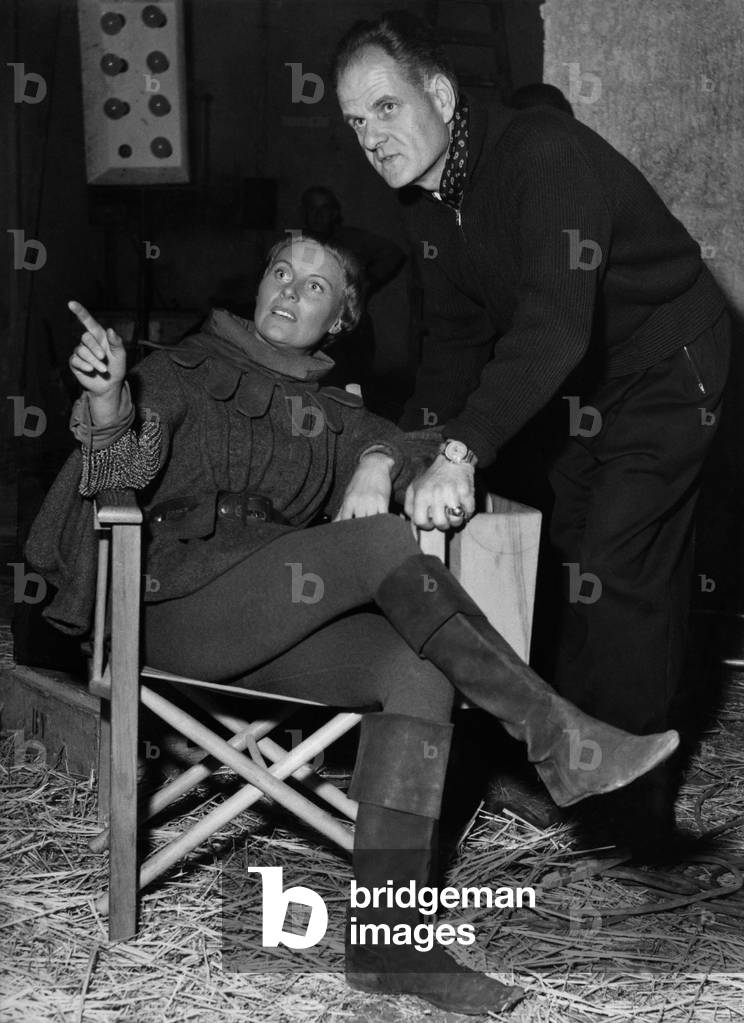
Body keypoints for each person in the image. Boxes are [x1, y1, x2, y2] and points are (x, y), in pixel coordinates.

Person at [27, 234, 679, 1016]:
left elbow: (417, 442)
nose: (289, 291)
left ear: (340, 321)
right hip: (174, 606)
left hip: (272, 617)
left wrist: (376, 460)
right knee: (379, 542)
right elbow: (116, 475)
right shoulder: (178, 368)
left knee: (418, 667)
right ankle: (555, 734)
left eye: (316, 287)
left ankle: (389, 945)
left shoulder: (337, 414)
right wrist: (105, 396)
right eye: (280, 271)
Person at [331, 11, 731, 853]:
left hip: (665, 363)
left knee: (624, 562)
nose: (371, 135)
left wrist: (461, 452)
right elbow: (452, 353)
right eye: (355, 122)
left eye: (386, 108)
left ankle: (632, 814)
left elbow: (551, 326)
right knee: (571, 553)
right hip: (585, 378)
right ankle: (579, 766)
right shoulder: (432, 206)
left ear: (437, 94)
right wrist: (393, 454)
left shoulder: (540, 156)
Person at [298, 184, 405, 394]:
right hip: (309, 326)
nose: (319, 215)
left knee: (352, 385)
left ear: (335, 213)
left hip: (350, 329)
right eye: (312, 209)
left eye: (325, 208)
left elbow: (393, 253)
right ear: (304, 213)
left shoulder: (352, 239)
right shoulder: (295, 243)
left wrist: (368, 282)